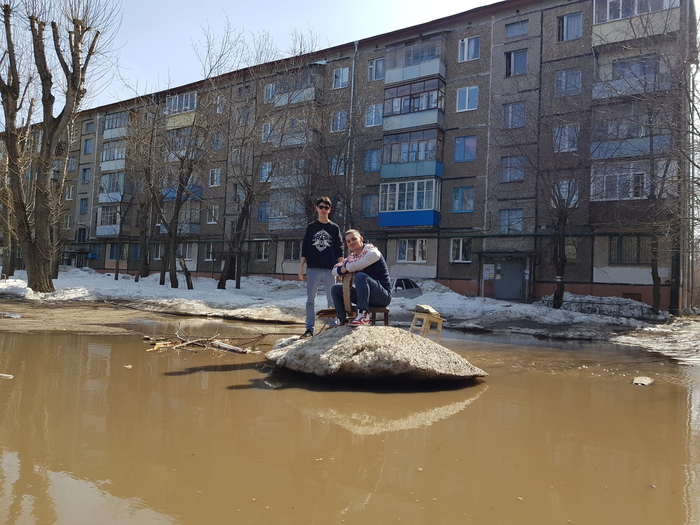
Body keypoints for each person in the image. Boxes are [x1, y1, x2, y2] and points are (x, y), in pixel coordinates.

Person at [298, 197, 344, 338]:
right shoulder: (311, 227)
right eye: (321, 206)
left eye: (326, 207)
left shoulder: (334, 228)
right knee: (310, 300)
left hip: (330, 268)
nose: (323, 209)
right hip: (313, 268)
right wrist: (301, 268)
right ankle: (309, 329)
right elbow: (305, 249)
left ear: (330, 210)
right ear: (316, 208)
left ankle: (332, 326)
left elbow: (339, 249)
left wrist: (341, 268)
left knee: (332, 299)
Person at [331, 229, 392, 327]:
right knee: (336, 289)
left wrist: (345, 265)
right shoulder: (353, 257)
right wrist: (345, 266)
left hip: (382, 296)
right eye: (348, 241)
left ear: (361, 239)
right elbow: (334, 270)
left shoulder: (372, 252)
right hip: (364, 295)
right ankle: (342, 320)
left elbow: (352, 266)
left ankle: (363, 315)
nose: (351, 242)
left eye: (354, 239)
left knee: (361, 277)